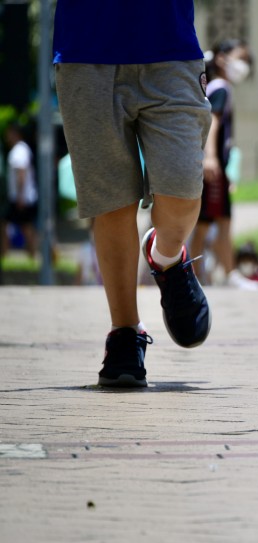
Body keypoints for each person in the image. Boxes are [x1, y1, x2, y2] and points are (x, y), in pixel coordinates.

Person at [54, 0, 212, 387]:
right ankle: (125, 333)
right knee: (111, 203)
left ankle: (166, 256)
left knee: (182, 191)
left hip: (170, 50)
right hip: (85, 52)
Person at [190, 39, 252, 285]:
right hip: (214, 168)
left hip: (221, 169)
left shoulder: (220, 87)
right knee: (205, 224)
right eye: (241, 58)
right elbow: (213, 122)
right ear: (221, 58)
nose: (244, 65)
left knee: (222, 221)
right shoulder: (220, 88)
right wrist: (211, 158)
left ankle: (230, 273)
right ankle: (193, 277)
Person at [3, 123, 39, 260]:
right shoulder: (22, 149)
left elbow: (21, 174)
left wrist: (20, 196)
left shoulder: (19, 150)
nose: (7, 137)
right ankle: (31, 255)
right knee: (26, 227)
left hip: (21, 197)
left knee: (25, 227)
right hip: (22, 196)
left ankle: (7, 254)